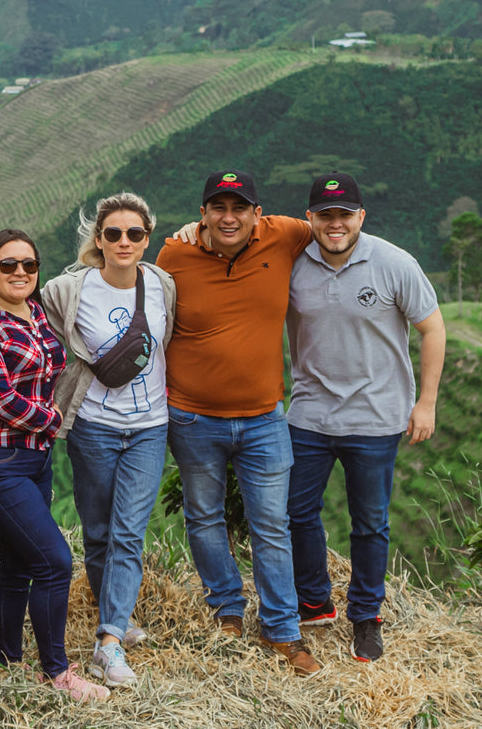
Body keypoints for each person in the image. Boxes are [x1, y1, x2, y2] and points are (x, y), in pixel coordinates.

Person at [155, 170, 323, 677]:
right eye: (217, 207)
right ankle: (227, 609)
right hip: (191, 415)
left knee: (272, 524)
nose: (229, 217)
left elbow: (336, 228)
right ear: (202, 211)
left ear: (257, 212)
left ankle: (282, 629)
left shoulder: (285, 234)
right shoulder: (173, 255)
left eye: (239, 208)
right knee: (203, 516)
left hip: (263, 419)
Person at [285, 172, 445, 663]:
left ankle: (366, 617)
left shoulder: (394, 263)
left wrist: (426, 403)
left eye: (345, 215)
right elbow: (236, 232)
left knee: (369, 523)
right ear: (310, 218)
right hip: (309, 413)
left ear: (361, 217)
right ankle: (314, 600)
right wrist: (189, 230)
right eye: (325, 215)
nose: (336, 225)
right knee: (295, 513)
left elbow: (433, 329)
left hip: (376, 418)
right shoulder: (292, 264)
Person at [0, 229, 110, 702]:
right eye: (8, 265)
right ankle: (56, 672)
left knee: (20, 563)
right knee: (55, 562)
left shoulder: (37, 311)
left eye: (29, 264)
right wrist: (52, 418)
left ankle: (7, 661)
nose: (20, 272)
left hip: (35, 457)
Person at [41, 193, 176, 688]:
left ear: (147, 239)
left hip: (148, 426)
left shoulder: (162, 285)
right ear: (98, 240)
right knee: (97, 532)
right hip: (92, 424)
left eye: (135, 234)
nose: (124, 242)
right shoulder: (68, 289)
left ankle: (110, 641)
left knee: (127, 532)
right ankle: (116, 616)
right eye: (114, 233)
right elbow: (24, 309)